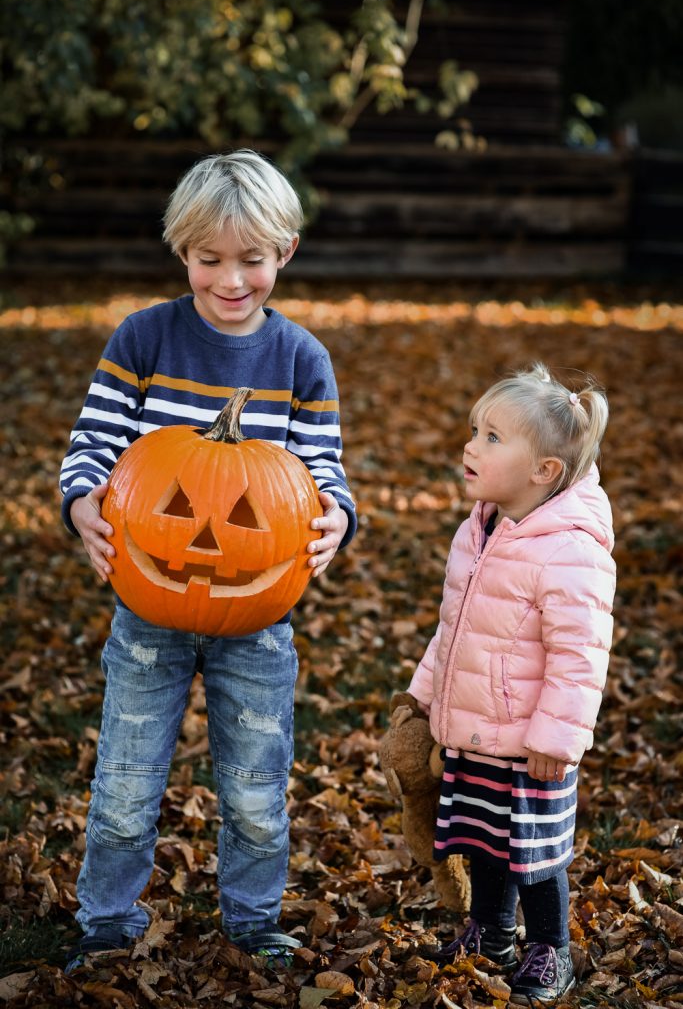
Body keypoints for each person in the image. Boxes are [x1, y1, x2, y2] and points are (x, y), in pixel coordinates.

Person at [59, 149, 357, 974]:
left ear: (285, 252)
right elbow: (95, 440)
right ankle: (107, 921)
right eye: (208, 259)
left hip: (258, 620)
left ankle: (253, 920)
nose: (231, 280)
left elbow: (320, 468)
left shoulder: (301, 360)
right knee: (125, 780)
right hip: (147, 612)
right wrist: (82, 500)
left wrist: (337, 515)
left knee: (257, 788)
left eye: (251, 260)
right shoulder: (144, 338)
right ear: (181, 251)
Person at [407, 363, 615, 1006]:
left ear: (543, 471)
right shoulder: (480, 529)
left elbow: (580, 655)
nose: (471, 445)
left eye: (492, 437)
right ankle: (491, 932)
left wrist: (556, 738)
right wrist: (422, 695)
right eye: (475, 430)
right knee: (482, 838)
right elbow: (454, 628)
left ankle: (550, 948)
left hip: (531, 743)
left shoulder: (569, 549)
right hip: (475, 726)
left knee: (533, 851)